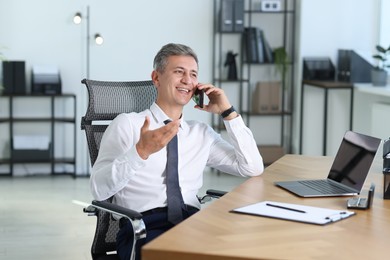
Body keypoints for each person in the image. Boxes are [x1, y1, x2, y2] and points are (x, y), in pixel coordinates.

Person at [90, 43, 264, 260]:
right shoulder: (128, 125)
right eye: (179, 72)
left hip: (194, 224)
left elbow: (252, 167)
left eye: (193, 74)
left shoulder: (200, 133)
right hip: (143, 229)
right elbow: (98, 190)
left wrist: (228, 113)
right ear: (156, 78)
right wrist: (140, 152)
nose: (187, 80)